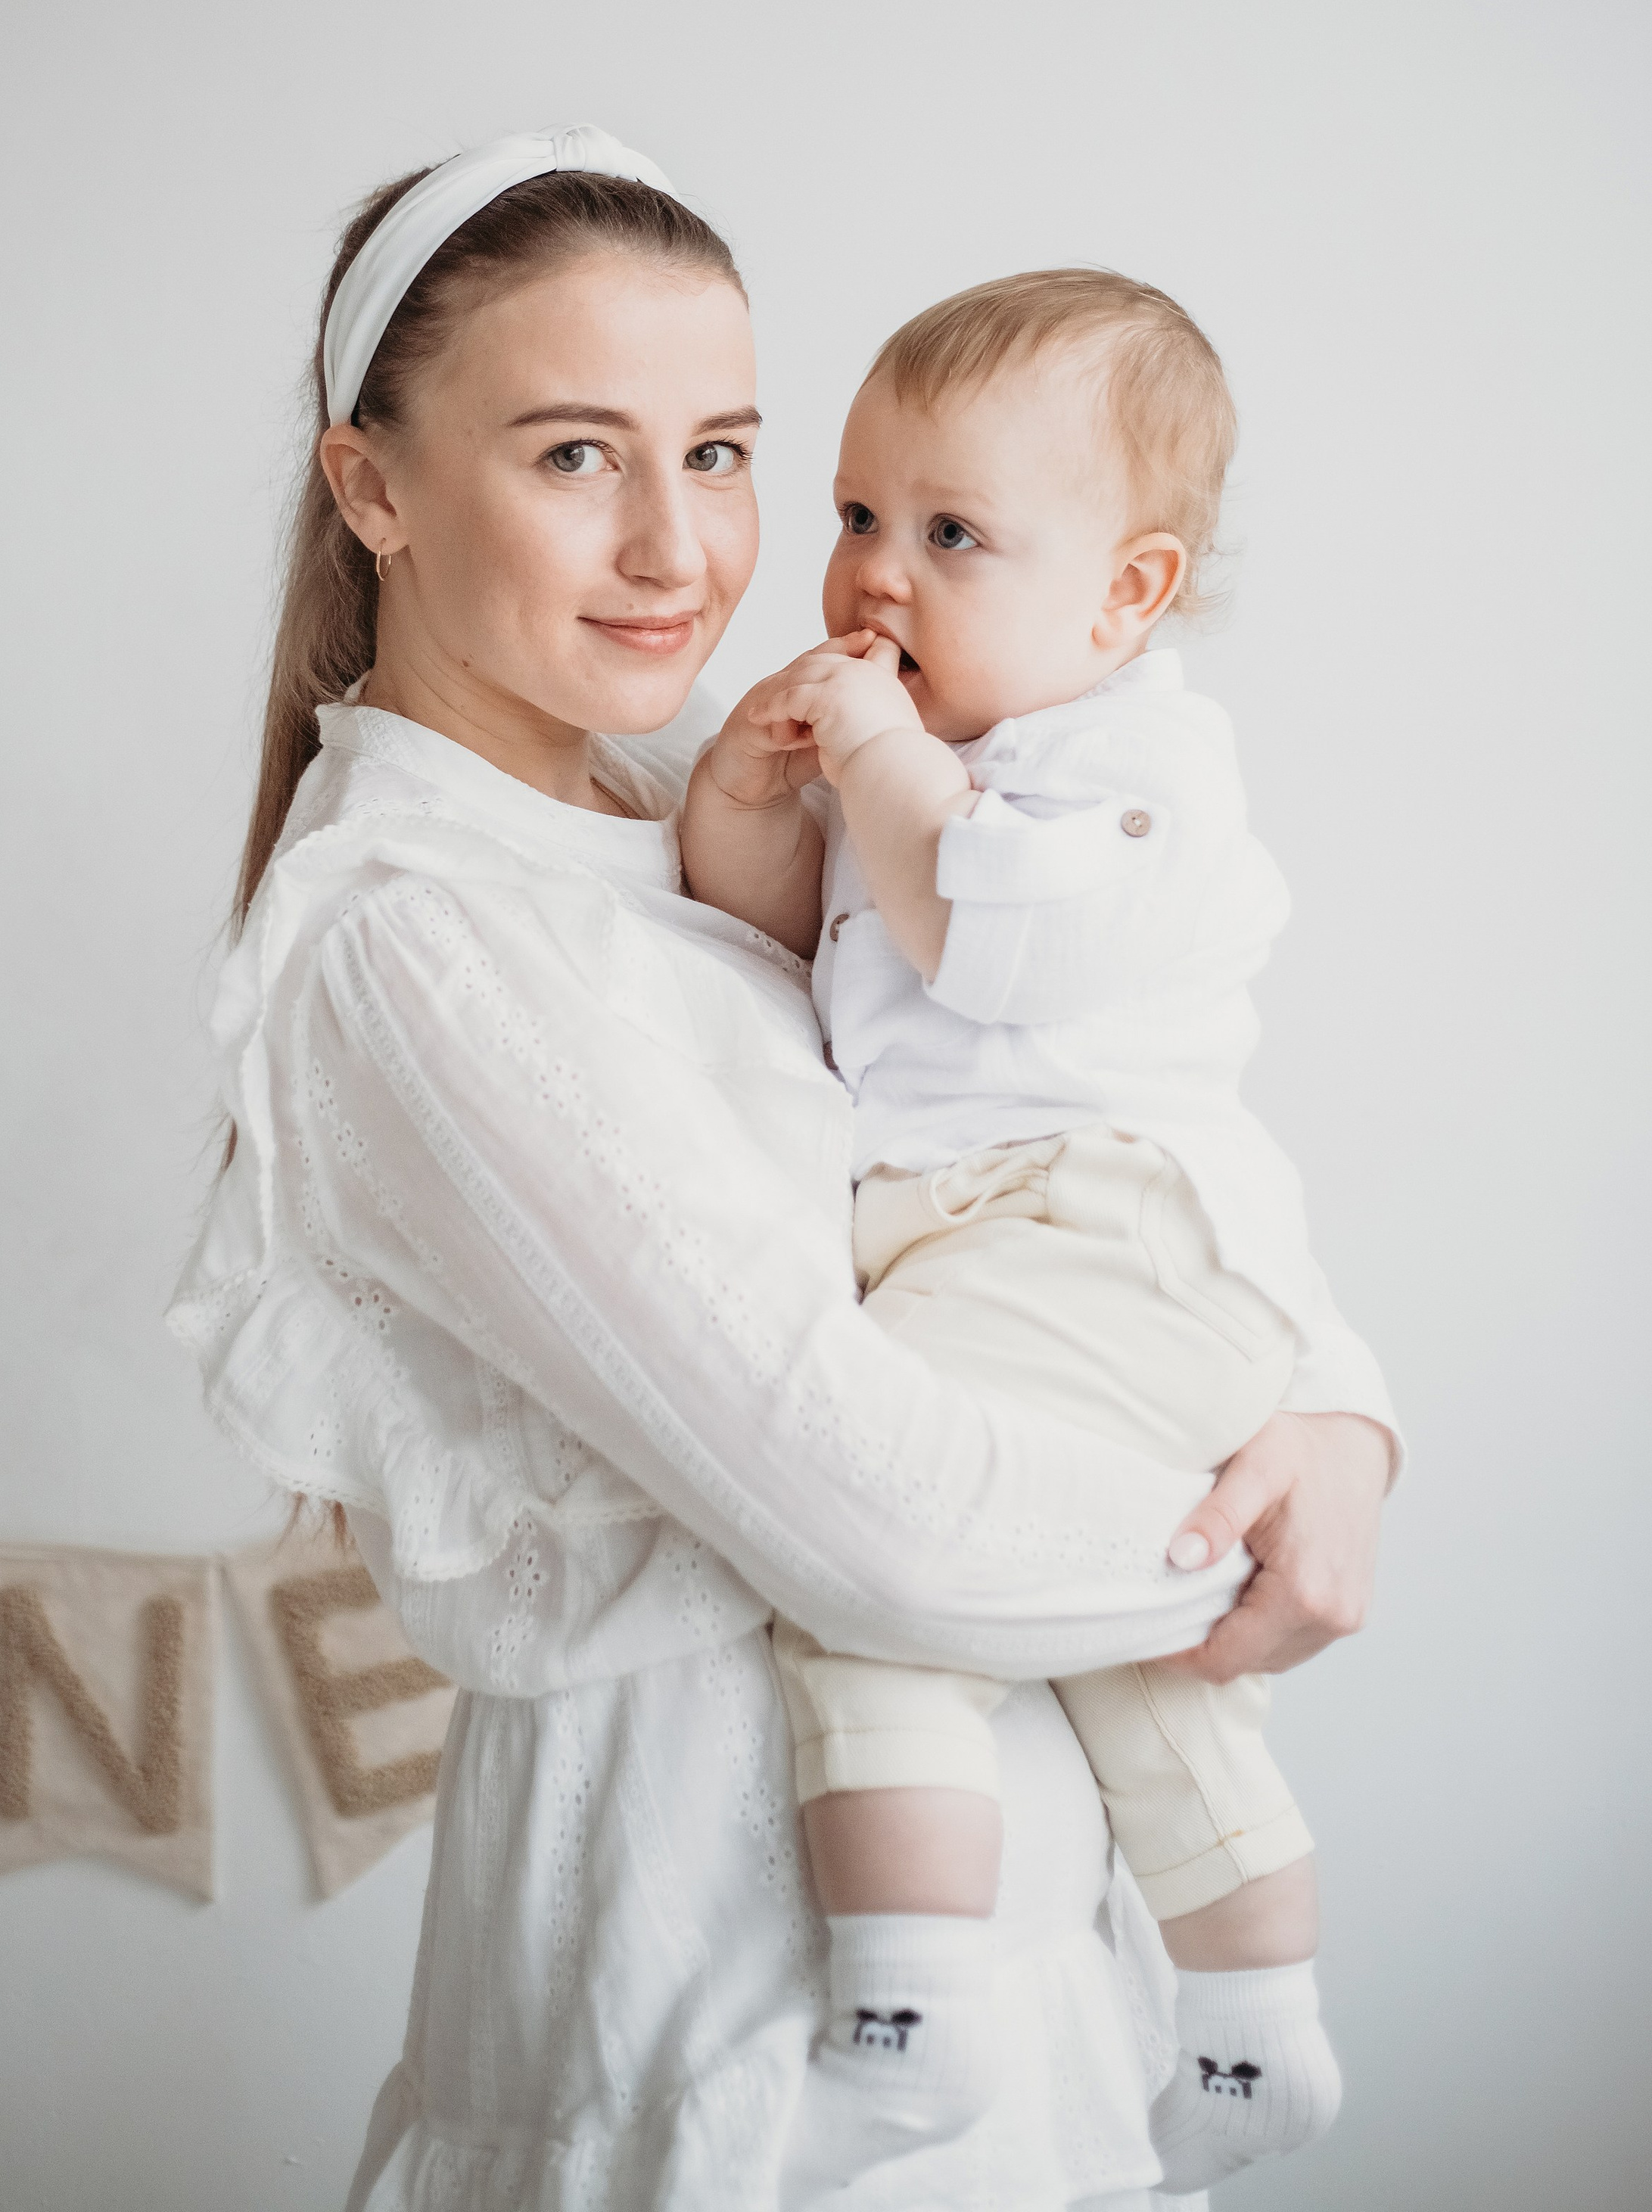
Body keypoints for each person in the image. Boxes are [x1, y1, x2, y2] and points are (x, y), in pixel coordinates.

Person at [167, 129, 1398, 2212]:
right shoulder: (413, 935)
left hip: (994, 1914)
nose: (681, 547)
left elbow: (1091, 1104)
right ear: (371, 486)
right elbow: (868, 1516)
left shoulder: (705, 802)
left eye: (724, 451)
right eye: (574, 456)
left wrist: (1340, 1408)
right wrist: (1246, 1531)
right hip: (721, 1990)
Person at [681, 268, 1398, 2198]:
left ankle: (900, 2019)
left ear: (1125, 597)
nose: (871, 578)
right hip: (1002, 1245)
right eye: (852, 516)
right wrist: (751, 800)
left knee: (876, 1555)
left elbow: (991, 935)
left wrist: (879, 769)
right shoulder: (920, 754)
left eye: (948, 536)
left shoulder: (1128, 764)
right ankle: (1253, 2032)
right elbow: (766, 958)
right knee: (1124, 1651)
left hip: (1097, 1230)